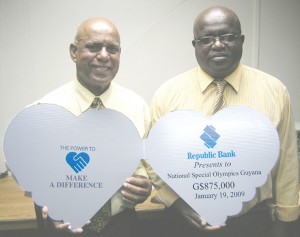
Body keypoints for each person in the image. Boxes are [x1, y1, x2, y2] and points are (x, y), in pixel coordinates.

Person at [146, 6, 299, 237]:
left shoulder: (275, 91)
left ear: (242, 40)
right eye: (207, 39)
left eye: (227, 36)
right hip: (185, 220)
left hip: (252, 221)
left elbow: (287, 159)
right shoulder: (168, 95)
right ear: (195, 45)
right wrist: (176, 202)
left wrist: (286, 220)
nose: (217, 44)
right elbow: (152, 156)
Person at [33, 17, 152, 237]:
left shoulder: (138, 107)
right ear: (74, 52)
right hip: (64, 228)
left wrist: (145, 184)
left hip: (124, 226)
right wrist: (46, 200)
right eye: (94, 46)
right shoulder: (43, 111)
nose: (104, 56)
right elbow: (29, 170)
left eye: (113, 49)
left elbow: (145, 162)